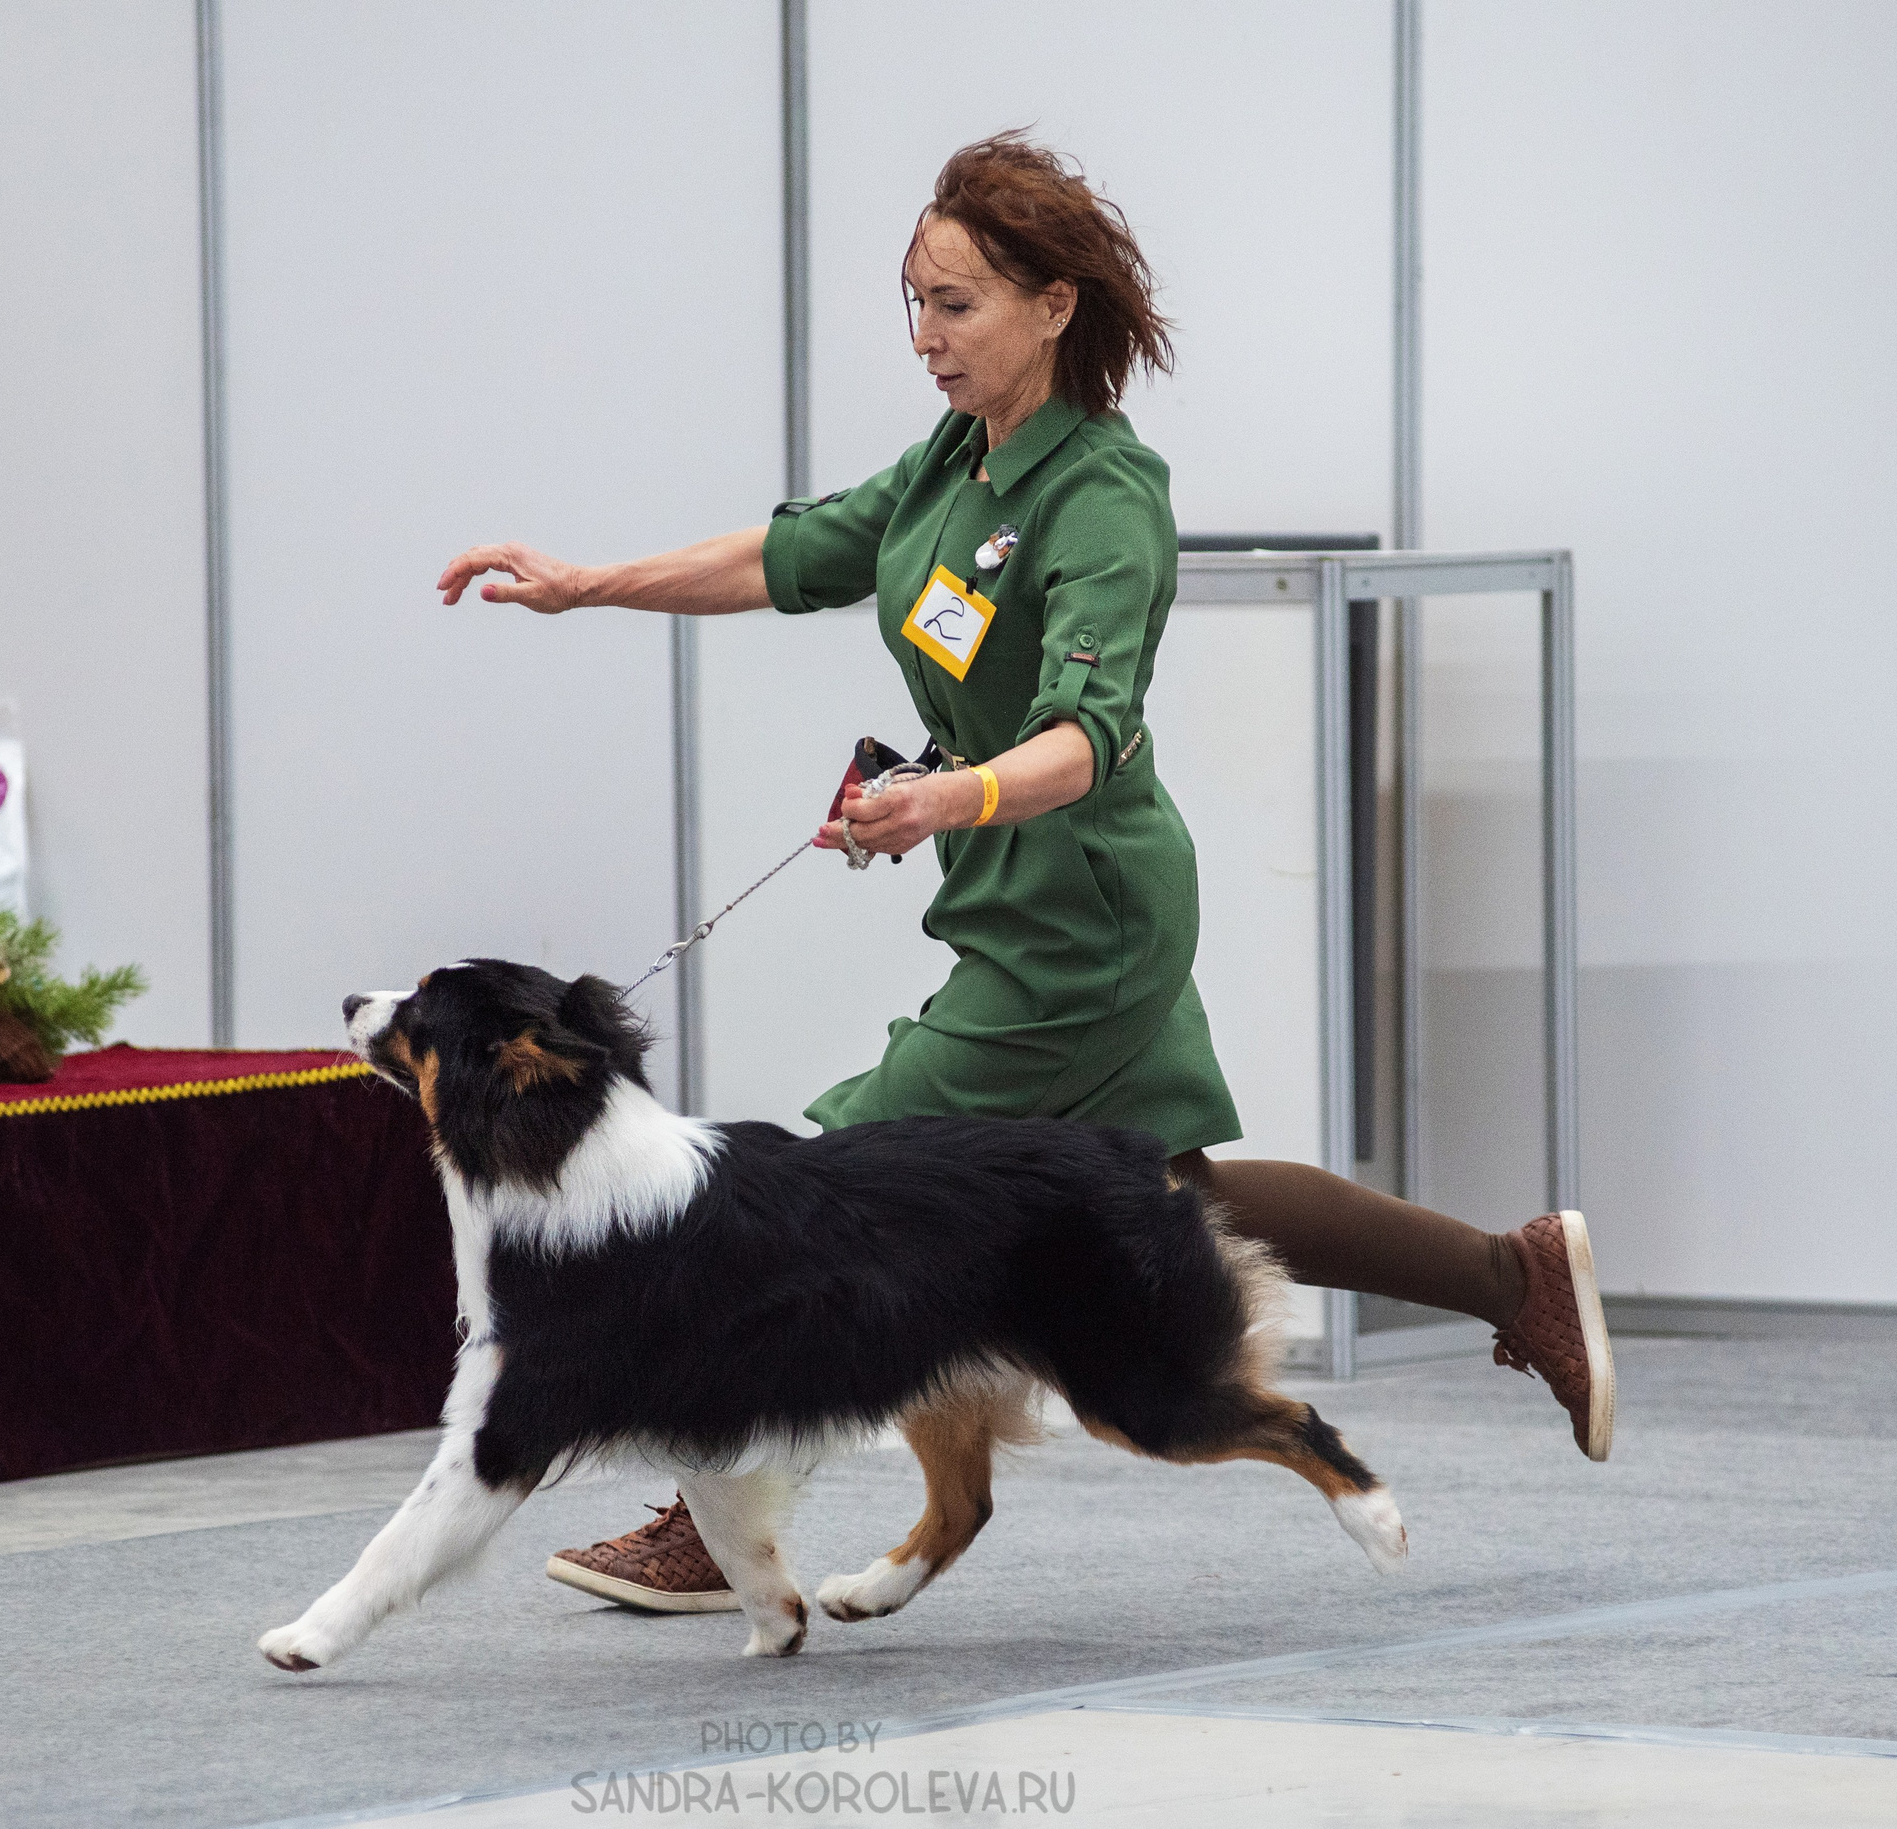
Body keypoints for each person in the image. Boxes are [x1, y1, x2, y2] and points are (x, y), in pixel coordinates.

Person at [435, 133, 1612, 1618]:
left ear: (1055, 307)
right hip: (1022, 896)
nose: (927, 338)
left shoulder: (1103, 495)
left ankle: (717, 1510)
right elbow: (791, 555)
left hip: (1086, 916)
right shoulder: (956, 460)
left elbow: (1085, 738)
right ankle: (1520, 1280)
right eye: (915, 305)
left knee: (842, 1174)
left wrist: (942, 797)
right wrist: (588, 582)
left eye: (959, 305)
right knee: (1164, 1202)